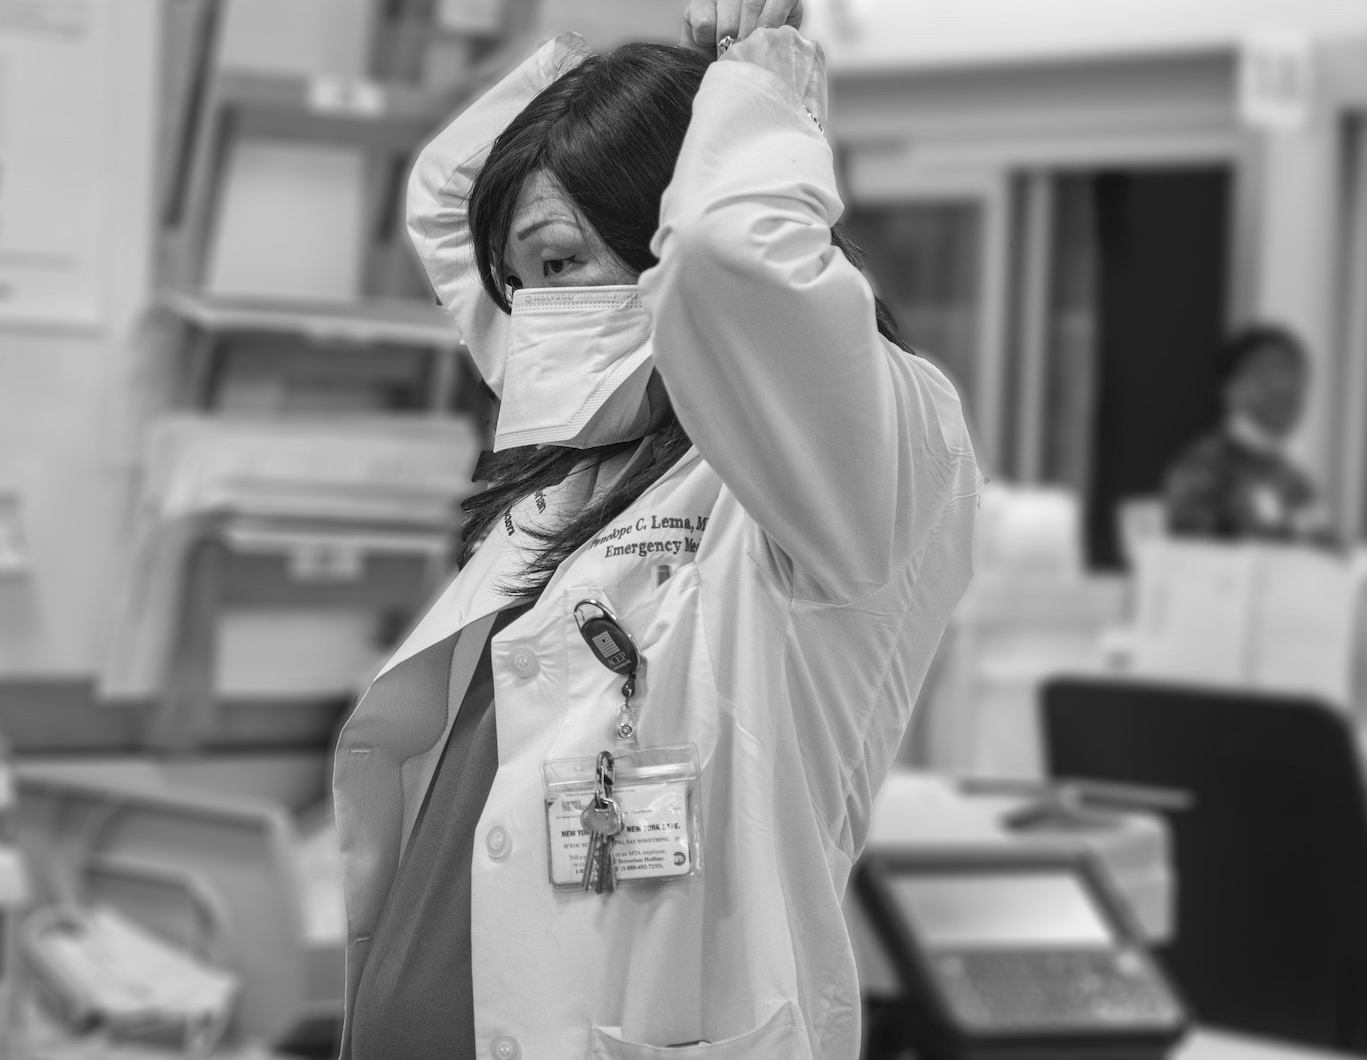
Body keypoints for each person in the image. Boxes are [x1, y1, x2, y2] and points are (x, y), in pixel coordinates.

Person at [330, 2, 979, 1057]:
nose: (530, 317)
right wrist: (605, 43)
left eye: (555, 267)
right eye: (517, 283)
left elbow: (729, 253)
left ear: (658, 247)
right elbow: (443, 203)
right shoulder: (594, 440)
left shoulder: (845, 472)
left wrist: (758, 77)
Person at [1163, 325, 1328, 543]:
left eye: (1295, 374)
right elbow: (1189, 557)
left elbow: (1322, 547)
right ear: (1230, 389)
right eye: (1268, 373)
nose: (1285, 388)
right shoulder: (1203, 467)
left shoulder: (1297, 480)